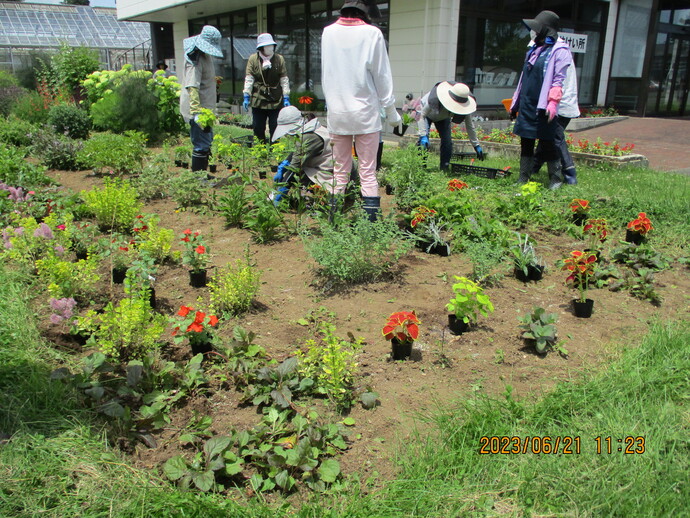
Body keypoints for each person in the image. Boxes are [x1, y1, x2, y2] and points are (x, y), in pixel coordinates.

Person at [321, 0, 402, 222]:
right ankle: (371, 226)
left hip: (337, 114)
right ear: (366, 14)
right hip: (365, 114)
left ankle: (333, 222)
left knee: (339, 172)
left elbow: (326, 74)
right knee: (367, 171)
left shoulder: (327, 33)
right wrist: (392, 113)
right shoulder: (372, 34)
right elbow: (382, 76)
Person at [510, 10, 573, 189]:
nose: (534, 32)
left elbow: (558, 80)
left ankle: (555, 179)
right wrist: (516, 102)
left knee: (548, 142)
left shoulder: (560, 50)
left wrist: (553, 102)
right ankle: (524, 176)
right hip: (527, 102)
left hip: (543, 105)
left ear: (547, 30)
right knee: (526, 141)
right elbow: (523, 77)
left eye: (538, 29)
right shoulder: (533, 49)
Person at [270, 106, 357, 205]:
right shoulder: (311, 129)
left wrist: (279, 195)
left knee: (297, 176)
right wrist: (284, 165)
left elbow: (295, 168)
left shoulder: (308, 137)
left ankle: (332, 198)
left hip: (339, 174)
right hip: (339, 167)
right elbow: (296, 154)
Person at [532, 42, 580, 184]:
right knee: (546, 137)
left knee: (555, 139)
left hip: (560, 103)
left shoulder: (557, 51)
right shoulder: (552, 49)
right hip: (558, 102)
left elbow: (556, 81)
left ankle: (569, 172)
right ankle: (534, 167)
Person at [179, 25, 223, 173]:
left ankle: (202, 175)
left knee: (207, 142)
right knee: (201, 144)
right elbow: (192, 87)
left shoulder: (204, 55)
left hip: (206, 109)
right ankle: (198, 178)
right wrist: (196, 112)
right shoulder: (194, 59)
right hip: (198, 110)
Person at [416, 81, 484, 171]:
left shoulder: (464, 105)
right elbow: (421, 115)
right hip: (426, 115)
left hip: (443, 117)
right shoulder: (436, 98)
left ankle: (444, 167)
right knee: (424, 142)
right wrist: (423, 135)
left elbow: (469, 125)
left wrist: (476, 145)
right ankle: (421, 167)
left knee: (447, 142)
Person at [243, 34, 290, 144]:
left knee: (275, 127)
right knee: (258, 127)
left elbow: (284, 79)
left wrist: (286, 96)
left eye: (272, 45)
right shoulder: (253, 59)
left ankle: (275, 150)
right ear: (261, 47)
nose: (270, 48)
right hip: (258, 98)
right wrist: (246, 95)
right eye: (267, 46)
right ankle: (260, 150)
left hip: (275, 98)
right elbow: (249, 78)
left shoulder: (279, 59)